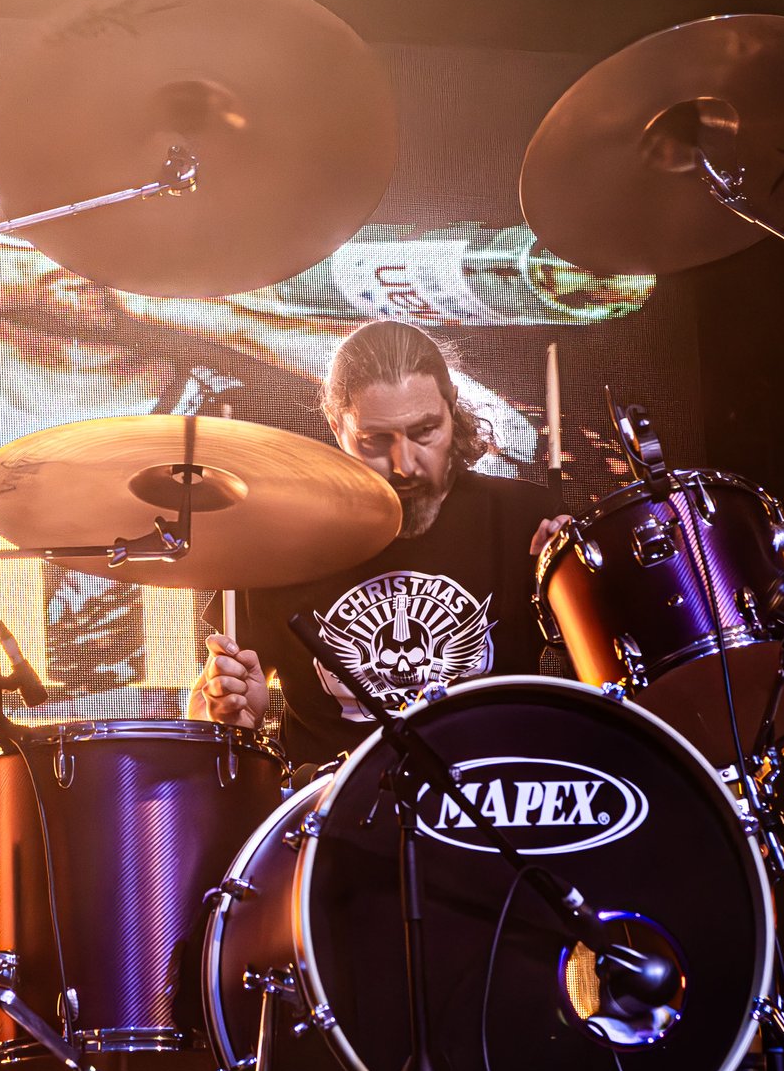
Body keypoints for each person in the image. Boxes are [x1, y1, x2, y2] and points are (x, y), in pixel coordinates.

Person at [189, 320, 572, 768]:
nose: (404, 464)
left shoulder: (525, 519)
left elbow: (608, 679)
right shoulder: (277, 542)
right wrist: (228, 716)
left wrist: (581, 593)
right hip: (332, 802)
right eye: (375, 440)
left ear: (451, 408)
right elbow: (212, 710)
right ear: (336, 425)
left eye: (425, 430)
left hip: (497, 795)